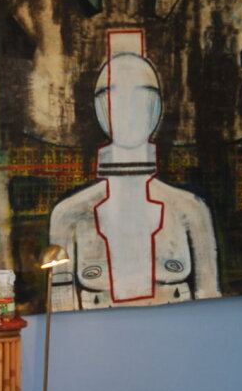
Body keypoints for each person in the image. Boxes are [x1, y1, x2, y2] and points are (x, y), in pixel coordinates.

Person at [49, 40, 220, 310]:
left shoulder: (190, 209)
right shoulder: (68, 214)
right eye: (113, 97)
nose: (128, 110)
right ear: (98, 106)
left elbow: (210, 296)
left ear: (158, 106)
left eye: (143, 96)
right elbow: (59, 305)